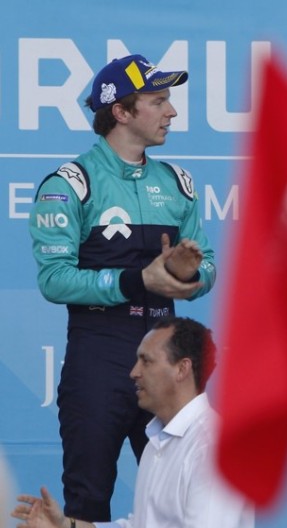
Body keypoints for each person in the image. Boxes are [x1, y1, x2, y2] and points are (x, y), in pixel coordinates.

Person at [28, 54, 216, 522]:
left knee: (188, 496)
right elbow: (54, 279)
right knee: (86, 503)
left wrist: (187, 275)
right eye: (159, 100)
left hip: (169, 359)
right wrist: (138, 281)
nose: (171, 111)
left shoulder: (178, 183)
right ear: (121, 112)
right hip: (101, 355)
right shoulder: (70, 184)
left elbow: (209, 267)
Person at [11, 317, 254, 528]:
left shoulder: (213, 449)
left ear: (182, 369)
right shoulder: (158, 443)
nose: (133, 372)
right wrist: (68, 525)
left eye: (146, 361)